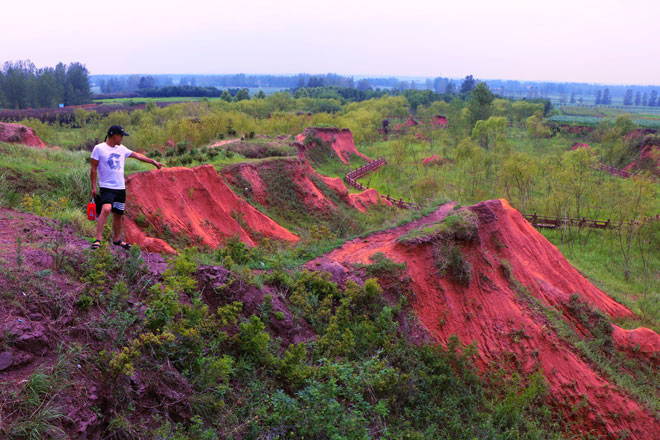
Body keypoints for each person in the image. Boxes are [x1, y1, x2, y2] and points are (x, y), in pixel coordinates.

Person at [90, 125, 164, 250]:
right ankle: (98, 239)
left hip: (120, 188)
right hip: (107, 187)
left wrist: (153, 162)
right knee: (107, 209)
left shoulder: (122, 149)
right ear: (115, 135)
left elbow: (138, 156)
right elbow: (93, 168)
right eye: (121, 136)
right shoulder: (99, 148)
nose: (122, 139)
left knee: (118, 214)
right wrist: (93, 187)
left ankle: (117, 240)